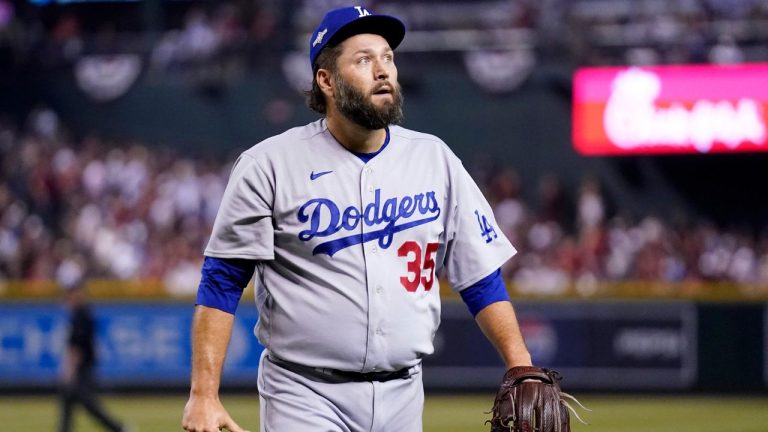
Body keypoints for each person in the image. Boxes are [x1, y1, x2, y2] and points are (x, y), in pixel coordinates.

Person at [182, 6, 534, 432]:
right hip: (304, 393)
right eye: (364, 60)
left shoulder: (434, 158)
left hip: (405, 392)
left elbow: (479, 276)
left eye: (387, 57)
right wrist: (204, 394)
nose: (382, 70)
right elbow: (222, 279)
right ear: (326, 80)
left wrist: (521, 367)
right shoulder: (268, 165)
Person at [58, 283, 129, 432]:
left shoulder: (82, 316)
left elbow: (77, 346)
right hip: (85, 365)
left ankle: (118, 428)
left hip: (82, 367)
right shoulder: (83, 314)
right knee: (68, 400)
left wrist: (69, 370)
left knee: (87, 402)